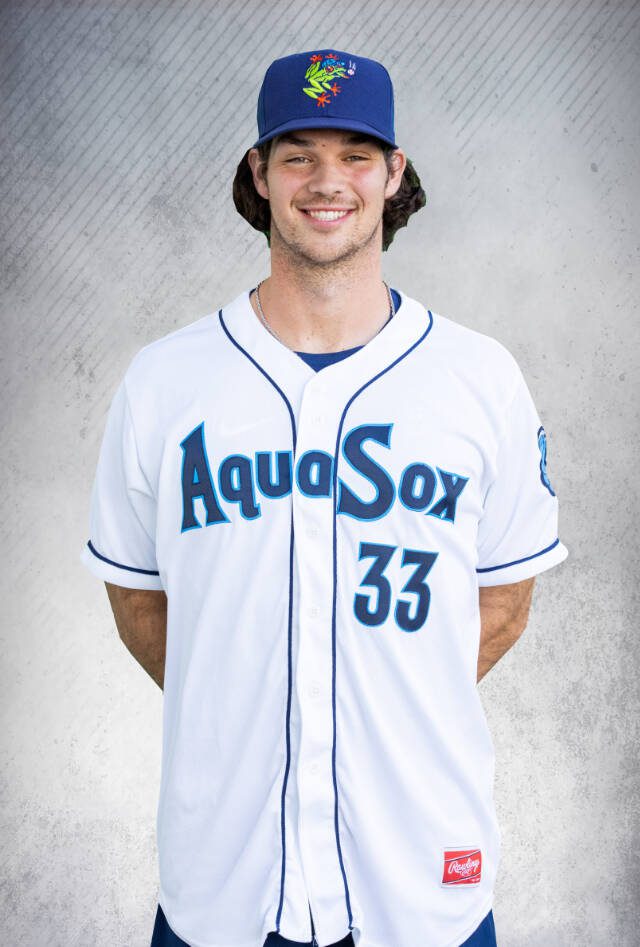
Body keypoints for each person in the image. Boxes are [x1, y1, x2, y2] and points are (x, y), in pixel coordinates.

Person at [80, 49, 568, 947]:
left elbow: (503, 601)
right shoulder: (165, 381)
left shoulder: (479, 377)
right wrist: (244, 692)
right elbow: (138, 601)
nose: (326, 180)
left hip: (421, 880)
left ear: (394, 172)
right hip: (224, 882)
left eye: (355, 153)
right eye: (298, 154)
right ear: (259, 172)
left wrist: (385, 694)